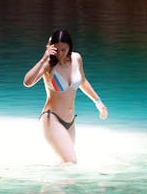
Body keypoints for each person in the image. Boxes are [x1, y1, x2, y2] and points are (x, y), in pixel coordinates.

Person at [23, 29, 107, 163]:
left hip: (70, 121)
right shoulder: (48, 65)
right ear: (51, 48)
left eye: (64, 49)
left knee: (64, 165)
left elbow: (83, 82)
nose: (60, 54)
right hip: (52, 119)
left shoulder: (76, 58)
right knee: (71, 162)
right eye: (57, 50)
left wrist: (98, 103)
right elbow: (27, 82)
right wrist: (44, 58)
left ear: (70, 47)